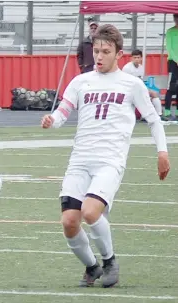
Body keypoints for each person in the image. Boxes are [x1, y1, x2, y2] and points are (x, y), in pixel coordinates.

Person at [41, 24, 170, 288]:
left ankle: (110, 261)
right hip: (80, 160)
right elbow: (62, 114)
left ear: (118, 54)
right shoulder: (81, 81)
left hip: (109, 162)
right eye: (97, 51)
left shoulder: (131, 84)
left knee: (90, 211)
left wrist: (162, 152)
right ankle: (92, 268)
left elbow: (154, 120)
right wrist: (50, 120)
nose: (99, 57)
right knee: (68, 221)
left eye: (105, 51)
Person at [123, 49, 163, 117]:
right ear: (131, 58)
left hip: (139, 89)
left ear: (141, 58)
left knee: (153, 93)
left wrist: (146, 89)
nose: (136, 59)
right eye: (134, 58)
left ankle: (159, 115)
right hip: (128, 90)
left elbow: (140, 81)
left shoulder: (141, 68)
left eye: (138, 57)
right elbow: (124, 82)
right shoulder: (127, 68)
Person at [163, 14, 178, 121]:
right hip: (173, 62)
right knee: (171, 86)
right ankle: (167, 112)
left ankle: (177, 112)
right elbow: (169, 48)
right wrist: (176, 60)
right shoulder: (170, 32)